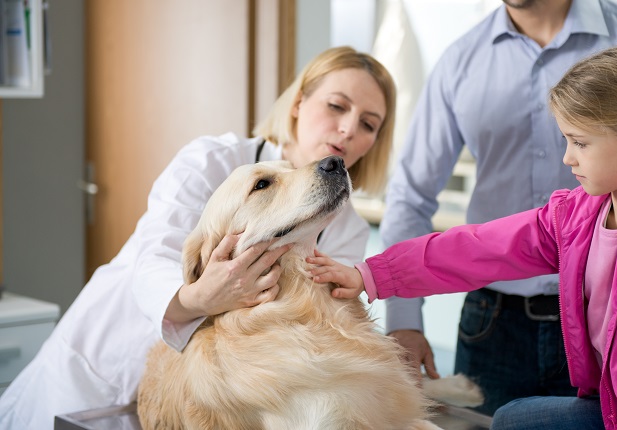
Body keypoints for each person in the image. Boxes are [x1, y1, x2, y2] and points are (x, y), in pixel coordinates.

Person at [308, 45, 617, 429]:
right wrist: (372, 274)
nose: (567, 157)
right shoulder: (577, 213)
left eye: (579, 142)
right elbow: (481, 248)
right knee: (512, 418)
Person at [0, 46, 396, 430]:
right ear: (298, 103)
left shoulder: (348, 228)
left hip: (223, 398)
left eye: (368, 124)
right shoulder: (211, 161)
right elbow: (154, 260)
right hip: (98, 371)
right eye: (336, 106)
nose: (347, 129)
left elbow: (320, 322)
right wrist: (202, 297)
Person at [379, 0, 617, 415]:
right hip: (493, 325)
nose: (569, 157)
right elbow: (412, 197)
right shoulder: (460, 60)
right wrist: (402, 318)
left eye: (578, 143)